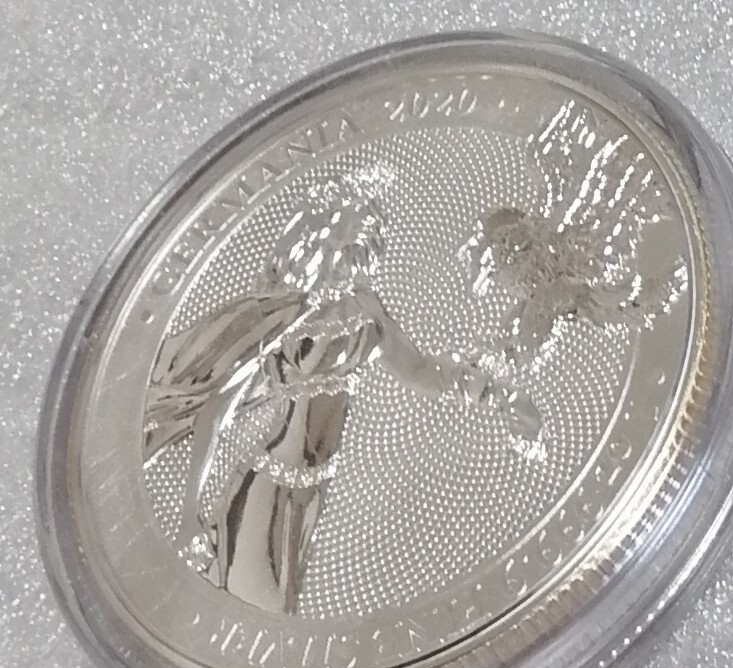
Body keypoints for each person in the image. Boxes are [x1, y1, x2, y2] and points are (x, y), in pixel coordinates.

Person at [144, 177, 543, 614]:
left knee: (277, 611)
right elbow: (217, 411)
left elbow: (419, 371)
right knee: (250, 605)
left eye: (364, 233)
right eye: (349, 229)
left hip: (314, 490)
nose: (358, 244)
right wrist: (189, 514)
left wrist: (497, 396)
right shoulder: (282, 313)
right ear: (319, 235)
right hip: (267, 481)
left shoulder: (364, 307)